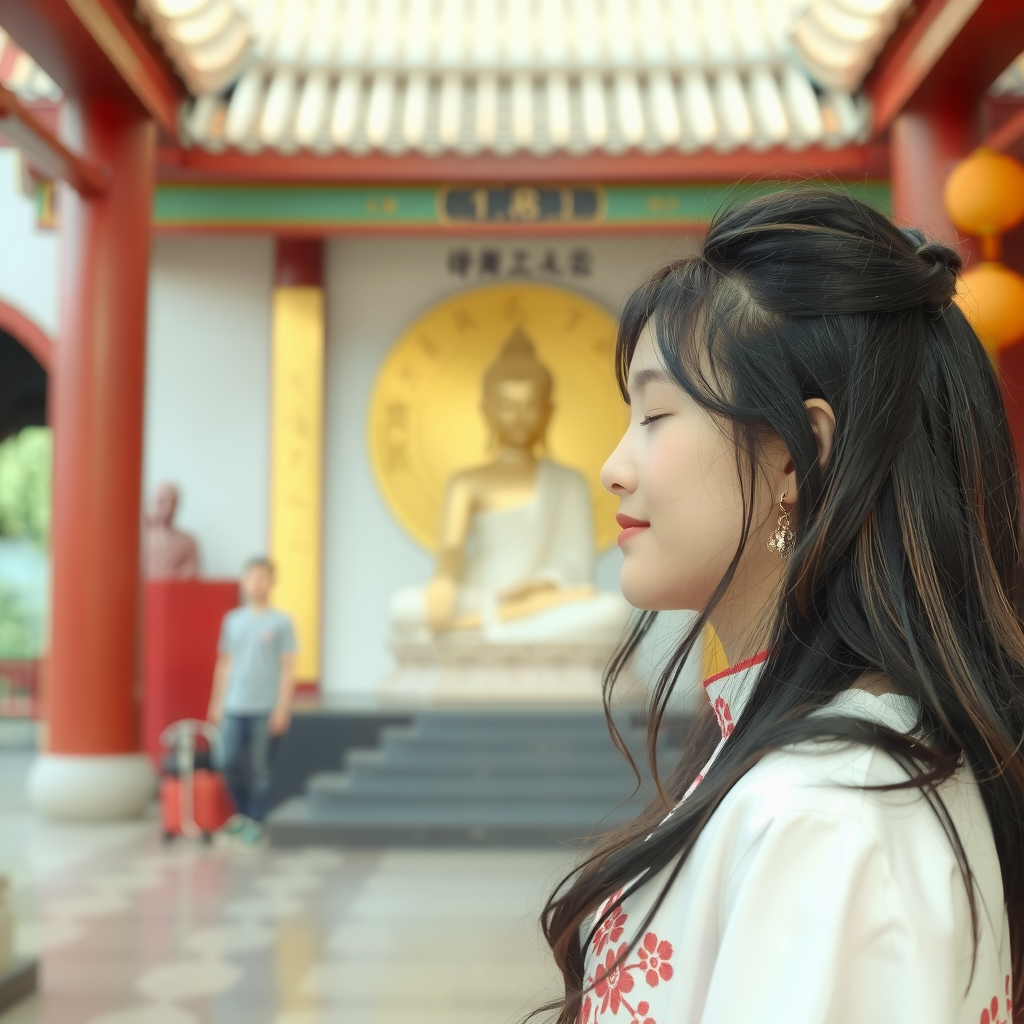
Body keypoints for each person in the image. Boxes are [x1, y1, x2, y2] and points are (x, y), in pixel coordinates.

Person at [539, 190, 1024, 1023]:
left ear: (798, 457)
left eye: (655, 414)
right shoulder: (823, 772)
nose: (614, 466)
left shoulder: (824, 812)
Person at [208, 556, 296, 847]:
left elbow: (287, 667)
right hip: (234, 705)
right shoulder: (232, 620)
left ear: (272, 582)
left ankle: (257, 822)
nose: (257, 584)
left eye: (263, 578)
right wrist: (217, 702)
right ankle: (244, 816)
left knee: (261, 770)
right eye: (252, 578)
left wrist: (282, 707)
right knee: (224, 761)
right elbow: (225, 663)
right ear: (244, 582)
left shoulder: (281, 622)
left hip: (264, 707)